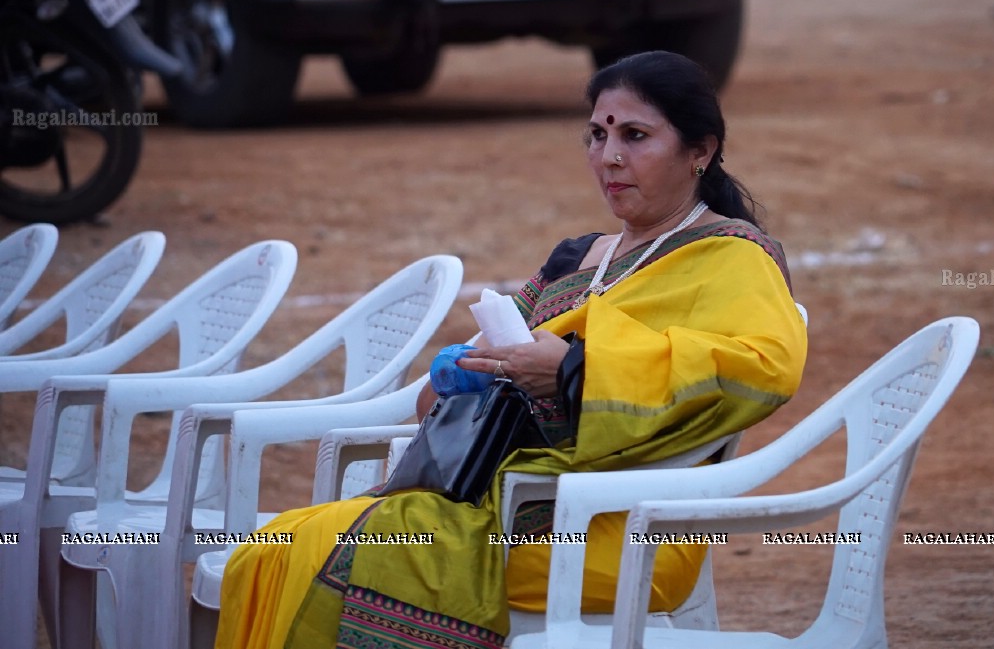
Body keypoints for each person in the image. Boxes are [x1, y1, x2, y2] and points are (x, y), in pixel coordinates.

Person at [215, 50, 808, 649]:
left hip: (615, 525)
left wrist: (576, 372)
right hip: (492, 493)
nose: (610, 157)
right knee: (276, 547)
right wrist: (465, 374)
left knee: (334, 551)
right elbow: (438, 395)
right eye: (597, 135)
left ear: (699, 151)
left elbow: (759, 369)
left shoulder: (733, 256)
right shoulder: (576, 259)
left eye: (636, 136)